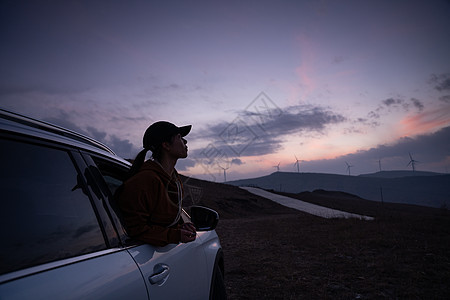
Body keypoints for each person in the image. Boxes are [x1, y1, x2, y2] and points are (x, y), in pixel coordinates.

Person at [116, 121, 196, 247]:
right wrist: (174, 235)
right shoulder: (144, 181)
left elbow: (159, 222)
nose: (185, 142)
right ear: (166, 145)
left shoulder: (173, 179)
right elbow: (136, 230)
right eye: (180, 137)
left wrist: (179, 227)